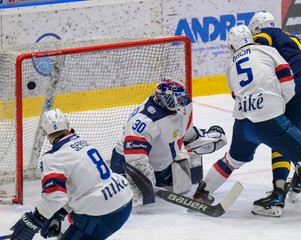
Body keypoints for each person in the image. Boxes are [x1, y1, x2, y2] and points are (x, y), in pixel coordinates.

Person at [191, 24, 301, 217]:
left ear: (232, 46)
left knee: (232, 160)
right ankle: (279, 194)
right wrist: (277, 104)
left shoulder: (230, 63)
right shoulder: (266, 50)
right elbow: (288, 81)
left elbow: (236, 94)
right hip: (272, 121)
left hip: (243, 124)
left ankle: (202, 192)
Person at [10, 108, 133, 240]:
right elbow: (83, 187)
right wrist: (59, 214)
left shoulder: (52, 158)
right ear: (68, 126)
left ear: (46, 134)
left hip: (101, 215)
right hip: (124, 202)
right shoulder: (83, 143)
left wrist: (33, 220)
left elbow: (55, 198)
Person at [110, 78, 227, 207]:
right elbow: (136, 161)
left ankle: (160, 178)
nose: (181, 102)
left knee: (183, 185)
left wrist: (200, 138)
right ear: (163, 99)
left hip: (161, 164)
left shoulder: (182, 105)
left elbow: (184, 132)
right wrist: (145, 185)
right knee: (140, 201)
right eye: (177, 99)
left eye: (182, 98)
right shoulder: (144, 121)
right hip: (127, 165)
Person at [248, 11, 301, 211]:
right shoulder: (290, 37)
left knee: (281, 137)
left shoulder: (266, 33)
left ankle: (278, 194)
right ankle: (300, 174)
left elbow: (258, 52)